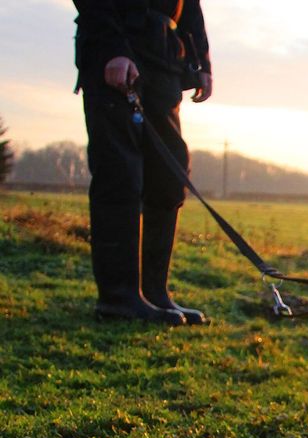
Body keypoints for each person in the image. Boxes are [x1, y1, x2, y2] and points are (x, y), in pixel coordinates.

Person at [73, 0, 212, 325]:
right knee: (121, 175)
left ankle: (155, 294)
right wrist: (112, 47)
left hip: (165, 53)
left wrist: (201, 61)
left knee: (168, 175)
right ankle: (119, 298)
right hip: (117, 42)